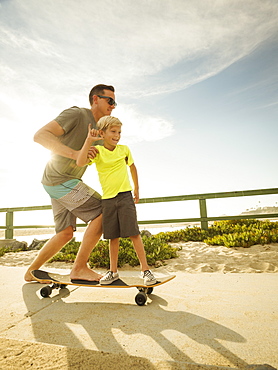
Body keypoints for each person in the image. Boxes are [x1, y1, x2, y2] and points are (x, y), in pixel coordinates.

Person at [24, 84, 117, 282]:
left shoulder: (101, 134)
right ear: (95, 99)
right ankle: (80, 268)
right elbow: (40, 136)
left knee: (65, 233)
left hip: (58, 182)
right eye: (110, 101)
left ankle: (31, 272)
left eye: (115, 102)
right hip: (61, 180)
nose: (113, 105)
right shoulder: (77, 115)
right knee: (104, 210)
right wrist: (74, 153)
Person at [76, 116, 157, 286]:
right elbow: (80, 162)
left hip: (125, 196)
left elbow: (132, 167)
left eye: (119, 132)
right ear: (103, 133)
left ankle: (146, 270)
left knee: (134, 233)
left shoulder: (124, 150)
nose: (117, 135)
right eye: (113, 132)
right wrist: (89, 140)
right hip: (108, 200)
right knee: (113, 237)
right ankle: (113, 272)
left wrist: (137, 189)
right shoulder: (97, 151)